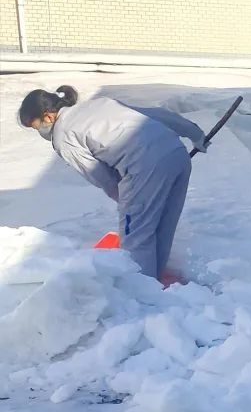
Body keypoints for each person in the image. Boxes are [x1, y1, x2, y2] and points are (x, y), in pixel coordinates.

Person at [19, 85, 208, 282]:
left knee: (136, 237)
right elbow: (154, 114)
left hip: (144, 165)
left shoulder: (63, 136)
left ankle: (143, 295)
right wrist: (194, 133)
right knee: (163, 225)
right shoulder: (98, 104)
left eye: (36, 126)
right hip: (176, 153)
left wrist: (128, 203)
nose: (40, 131)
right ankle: (155, 280)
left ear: (48, 116)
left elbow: (99, 175)